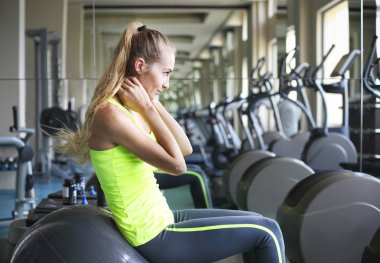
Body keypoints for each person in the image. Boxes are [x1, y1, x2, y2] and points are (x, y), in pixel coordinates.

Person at [55, 22, 285, 263]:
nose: (166, 84)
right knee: (268, 232)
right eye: (165, 73)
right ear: (140, 66)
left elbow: (185, 148)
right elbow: (178, 166)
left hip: (162, 218)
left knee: (259, 220)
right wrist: (147, 107)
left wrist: (151, 103)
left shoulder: (131, 108)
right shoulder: (111, 114)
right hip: (152, 234)